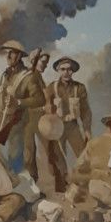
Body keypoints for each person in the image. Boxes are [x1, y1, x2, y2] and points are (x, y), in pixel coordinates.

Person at [0, 40, 46, 180]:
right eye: (7, 53)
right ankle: (15, 182)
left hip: (24, 120)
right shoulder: (5, 75)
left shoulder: (28, 77)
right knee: (7, 154)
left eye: (11, 53)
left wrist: (18, 102)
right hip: (7, 119)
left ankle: (31, 184)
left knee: (26, 155)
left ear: (19, 56)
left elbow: (40, 99)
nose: (8, 56)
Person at [44, 56, 92, 192]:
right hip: (56, 127)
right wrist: (49, 109)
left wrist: (87, 129)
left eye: (69, 69)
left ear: (73, 71)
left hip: (72, 126)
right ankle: (61, 188)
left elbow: (85, 111)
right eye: (63, 69)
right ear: (58, 70)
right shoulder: (51, 88)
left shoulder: (79, 88)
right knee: (57, 157)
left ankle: (86, 185)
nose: (66, 72)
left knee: (83, 155)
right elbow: (46, 108)